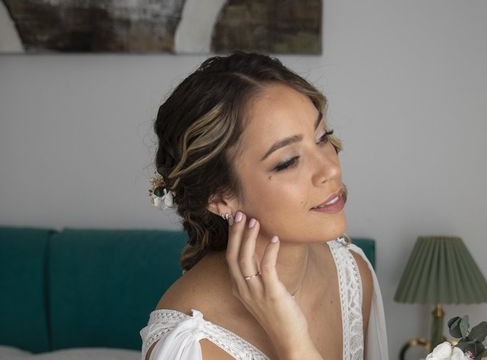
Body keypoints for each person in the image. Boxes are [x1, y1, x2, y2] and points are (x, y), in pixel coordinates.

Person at [140, 52, 388, 360]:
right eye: (287, 162)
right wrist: (294, 344)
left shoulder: (352, 274)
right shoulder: (191, 345)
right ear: (219, 198)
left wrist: (293, 340)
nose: (330, 170)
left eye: (323, 138)